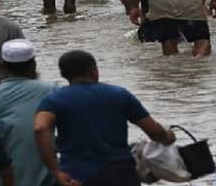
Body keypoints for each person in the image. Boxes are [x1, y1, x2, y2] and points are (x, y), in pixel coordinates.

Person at [34, 51, 176, 186]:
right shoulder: (120, 94)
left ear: (63, 74)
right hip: (121, 173)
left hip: (77, 175)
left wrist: (54, 171)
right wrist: (167, 136)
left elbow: (40, 127)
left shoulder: (53, 100)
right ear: (93, 70)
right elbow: (154, 132)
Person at [0, 40, 58, 186]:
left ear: (3, 65)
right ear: (33, 64)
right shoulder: (51, 89)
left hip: (3, 176)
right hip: (45, 176)